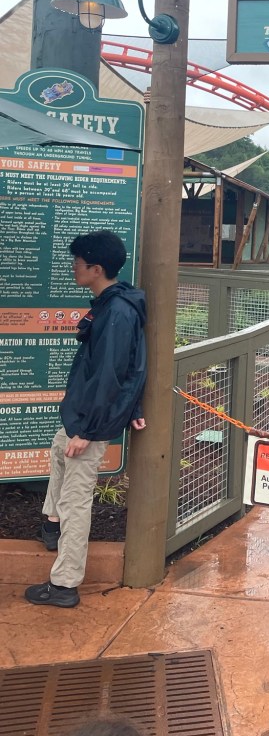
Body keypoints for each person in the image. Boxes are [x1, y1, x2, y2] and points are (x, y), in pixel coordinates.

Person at [25, 231, 147, 609]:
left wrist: (89, 431)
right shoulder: (110, 303)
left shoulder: (117, 312)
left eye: (77, 263)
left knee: (76, 500)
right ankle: (51, 524)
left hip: (89, 422)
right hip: (80, 415)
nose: (73, 268)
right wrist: (132, 410)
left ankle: (64, 585)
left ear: (96, 269)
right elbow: (131, 364)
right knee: (58, 452)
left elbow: (113, 374)